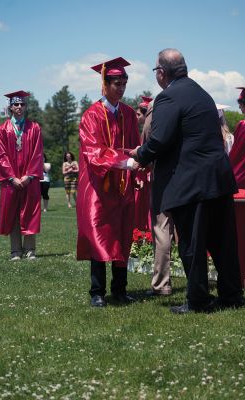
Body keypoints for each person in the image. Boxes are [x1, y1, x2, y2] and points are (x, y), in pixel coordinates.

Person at [130, 48, 244, 313]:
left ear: (161, 73)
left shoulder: (169, 96)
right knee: (222, 242)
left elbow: (160, 139)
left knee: (192, 244)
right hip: (218, 178)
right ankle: (231, 294)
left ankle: (198, 300)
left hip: (192, 181)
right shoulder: (202, 93)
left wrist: (141, 154)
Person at [76, 57, 141, 307]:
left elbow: (136, 147)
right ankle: (97, 291)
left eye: (124, 82)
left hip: (122, 186)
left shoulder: (127, 113)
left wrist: (140, 162)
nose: (121, 87)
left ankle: (120, 289)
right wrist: (123, 162)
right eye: (116, 83)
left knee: (122, 234)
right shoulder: (91, 115)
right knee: (99, 234)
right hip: (98, 186)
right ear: (104, 83)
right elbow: (93, 151)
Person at [0, 90, 43, 260]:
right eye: (16, 104)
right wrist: (11, 177)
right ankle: (16, 251)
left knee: (30, 212)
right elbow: (1, 155)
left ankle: (30, 250)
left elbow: (37, 153)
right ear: (10, 107)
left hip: (29, 180)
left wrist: (29, 175)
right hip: (10, 181)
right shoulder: (3, 130)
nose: (19, 107)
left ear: (26, 106)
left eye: (22, 104)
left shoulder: (34, 128)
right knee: (13, 213)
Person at [141, 99, 176, 296]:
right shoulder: (191, 99)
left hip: (163, 174)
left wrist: (142, 156)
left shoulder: (158, 104)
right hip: (188, 174)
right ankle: (198, 281)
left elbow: (148, 136)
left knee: (162, 227)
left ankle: (162, 283)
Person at [134, 96, 153, 232]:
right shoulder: (142, 132)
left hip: (148, 175)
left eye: (138, 114)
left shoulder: (148, 132)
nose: (136, 116)